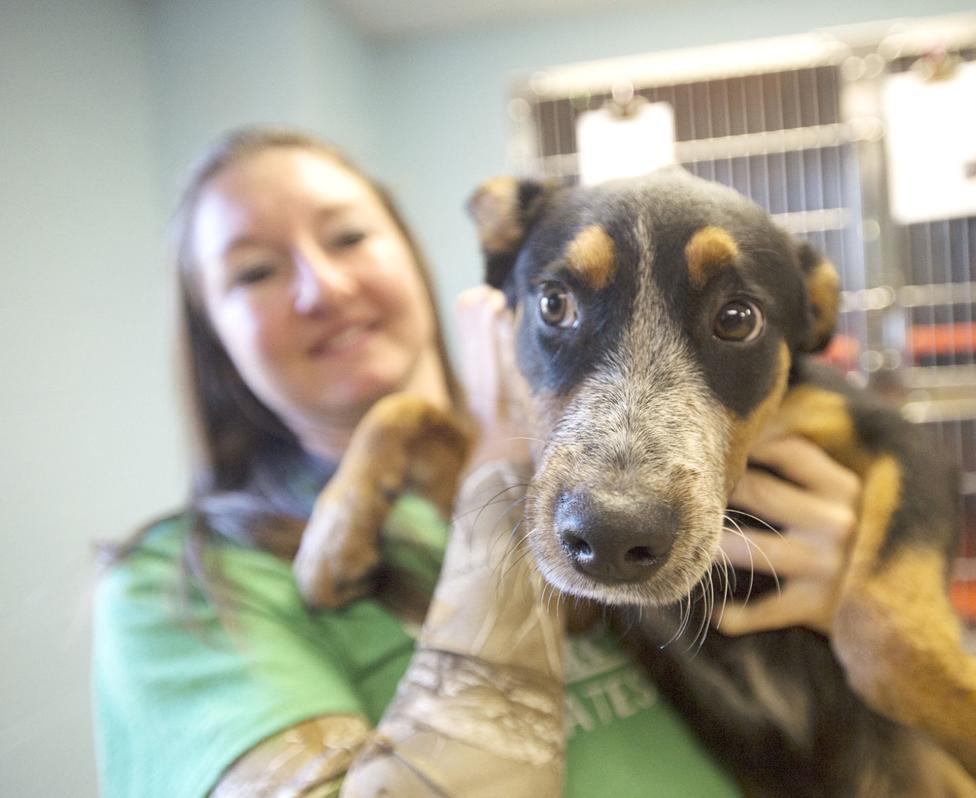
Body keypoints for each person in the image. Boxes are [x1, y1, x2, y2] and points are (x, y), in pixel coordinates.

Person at [91, 127, 862, 797]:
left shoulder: (688, 455)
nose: (321, 287)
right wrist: (496, 474)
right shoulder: (178, 591)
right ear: (213, 336)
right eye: (254, 271)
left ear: (414, 254)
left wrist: (850, 605)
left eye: (348, 237)